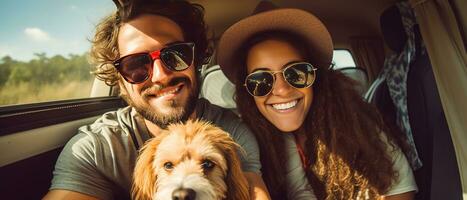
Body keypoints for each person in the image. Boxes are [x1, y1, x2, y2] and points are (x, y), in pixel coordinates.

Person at [43, 0, 270, 199]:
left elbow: (250, 192)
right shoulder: (94, 148)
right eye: (135, 65)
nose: (161, 75)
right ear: (121, 82)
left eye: (176, 55)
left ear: (196, 60)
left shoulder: (233, 132)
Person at [217, 1, 417, 200]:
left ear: (316, 76)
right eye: (261, 80)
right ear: (248, 91)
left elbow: (401, 191)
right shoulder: (247, 142)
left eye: (296, 73)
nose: (282, 89)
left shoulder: (358, 125)